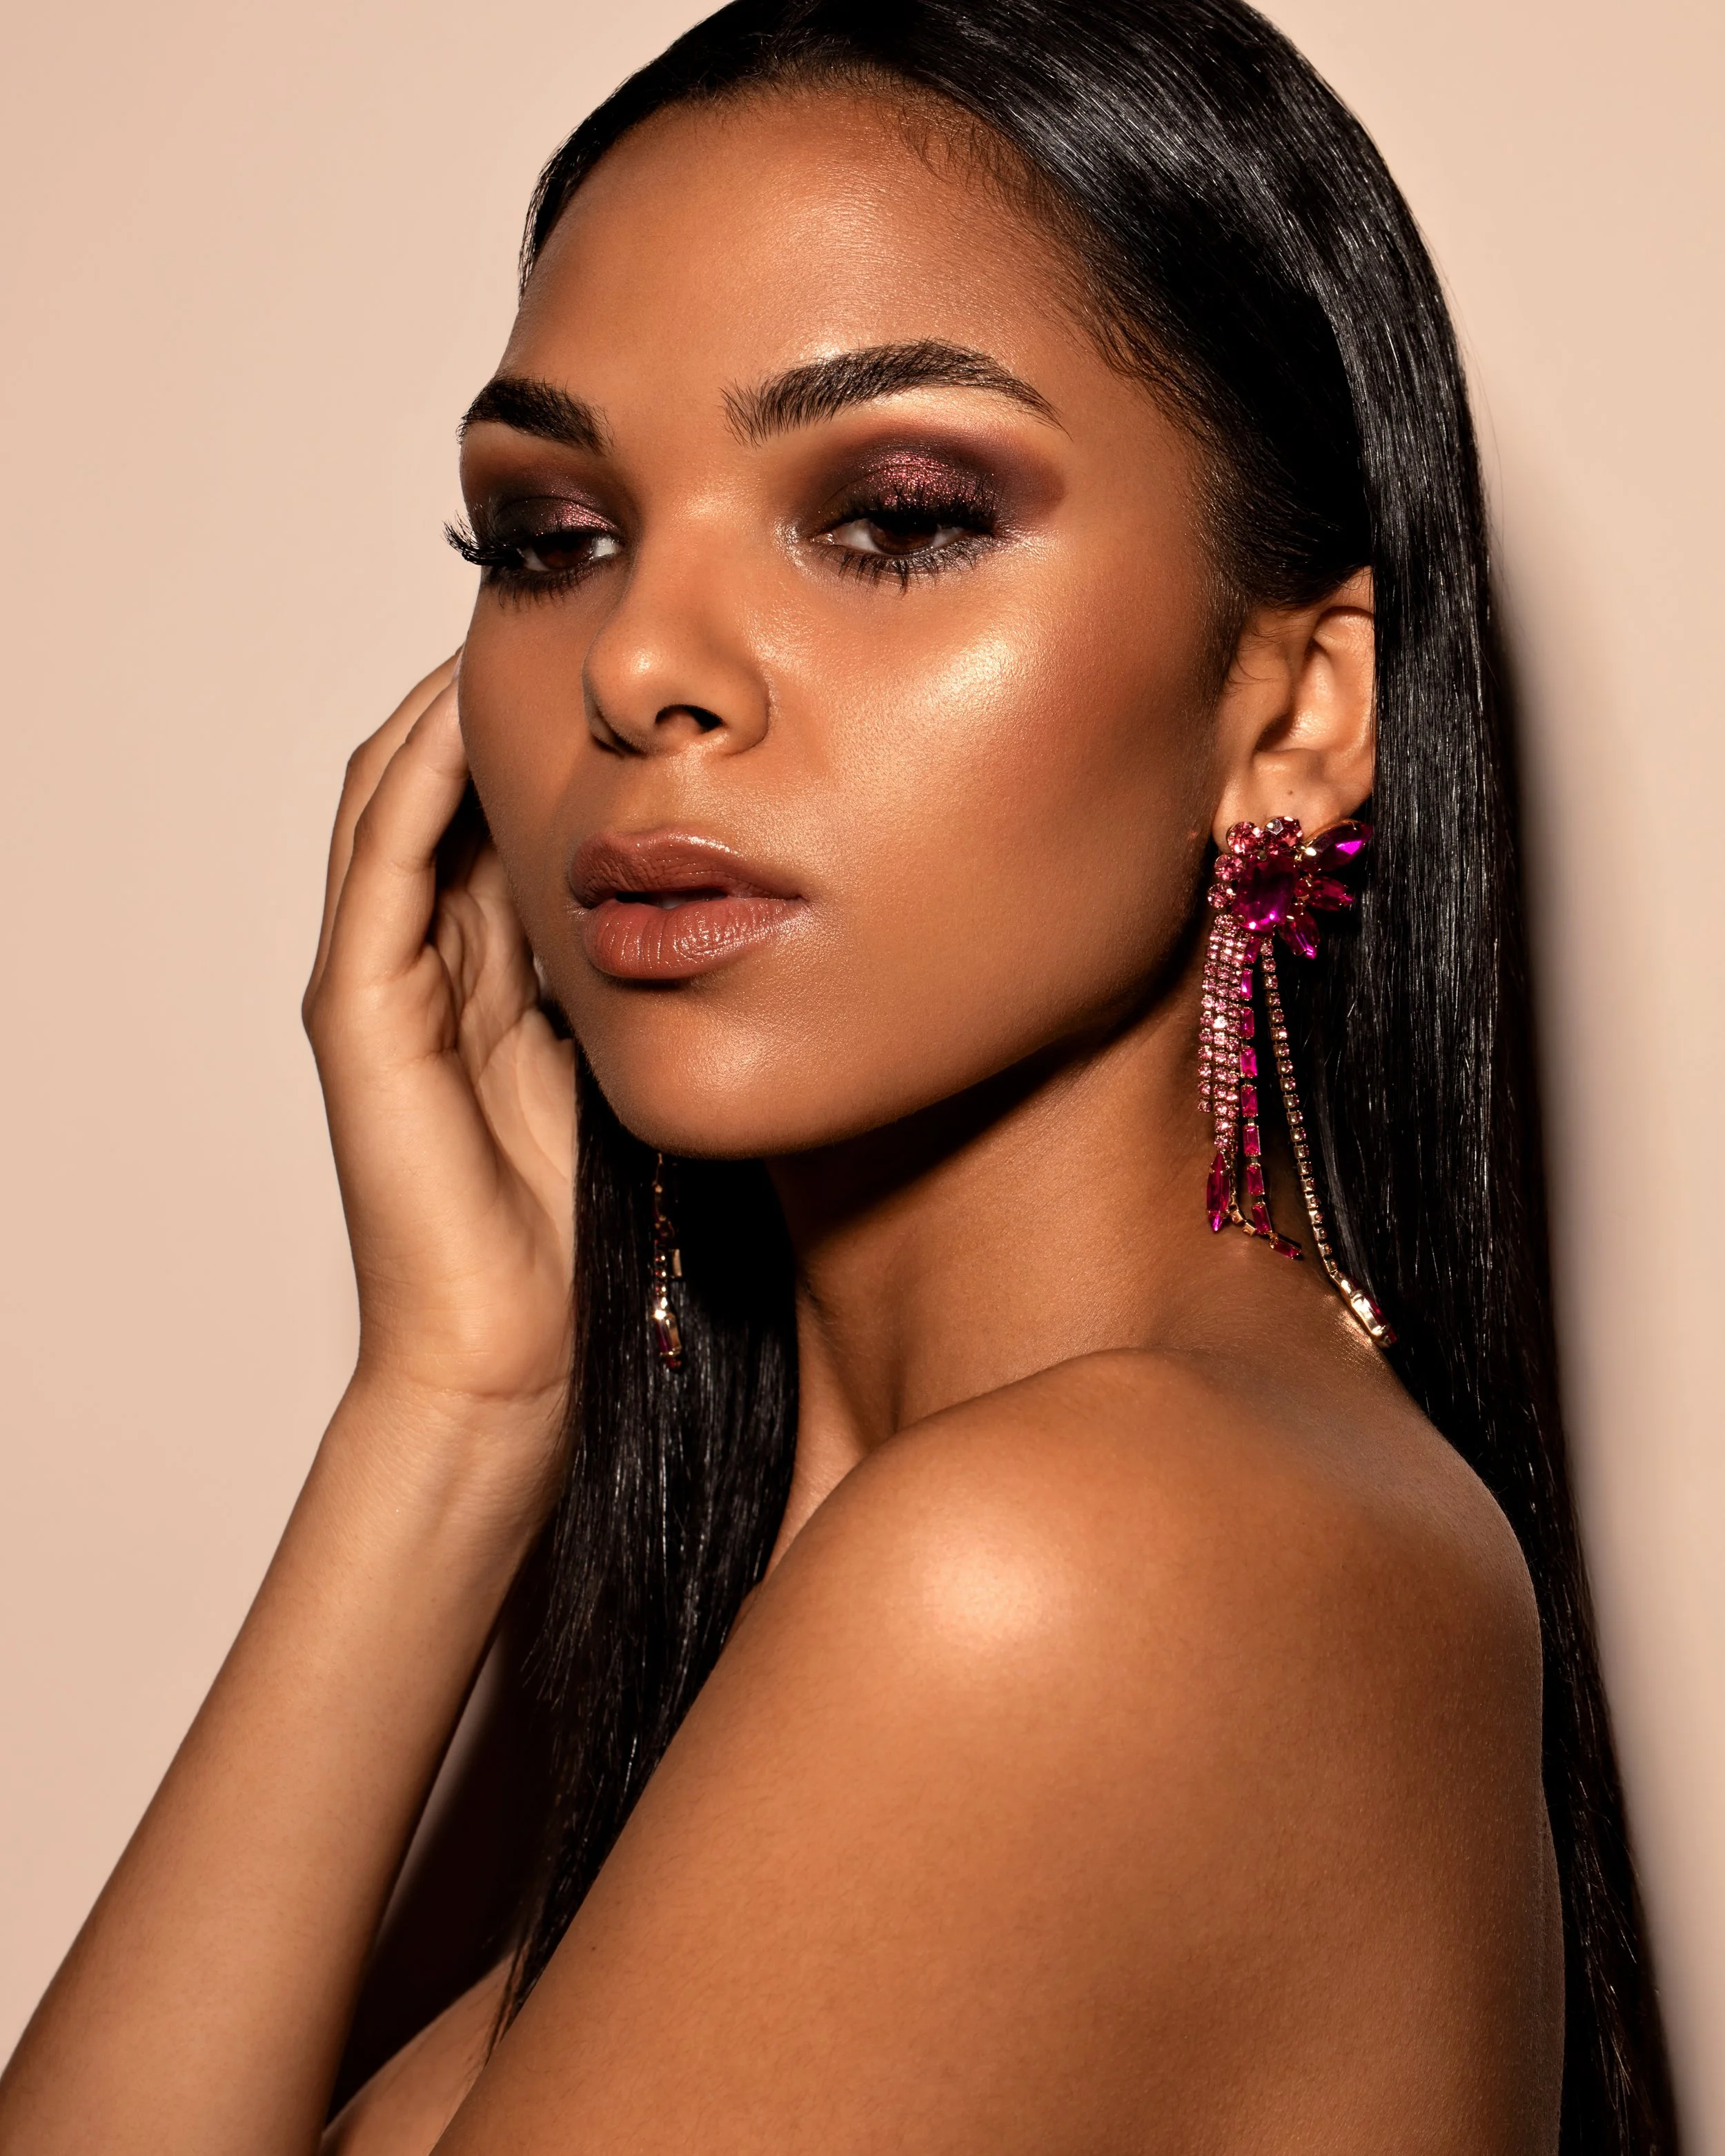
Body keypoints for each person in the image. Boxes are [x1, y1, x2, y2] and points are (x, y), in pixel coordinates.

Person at [0, 1, 1679, 2150]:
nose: (634, 662)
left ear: (1291, 714)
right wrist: (452, 1401)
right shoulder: (1033, 1554)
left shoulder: (1076, 1566)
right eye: (549, 534)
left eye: (892, 515)